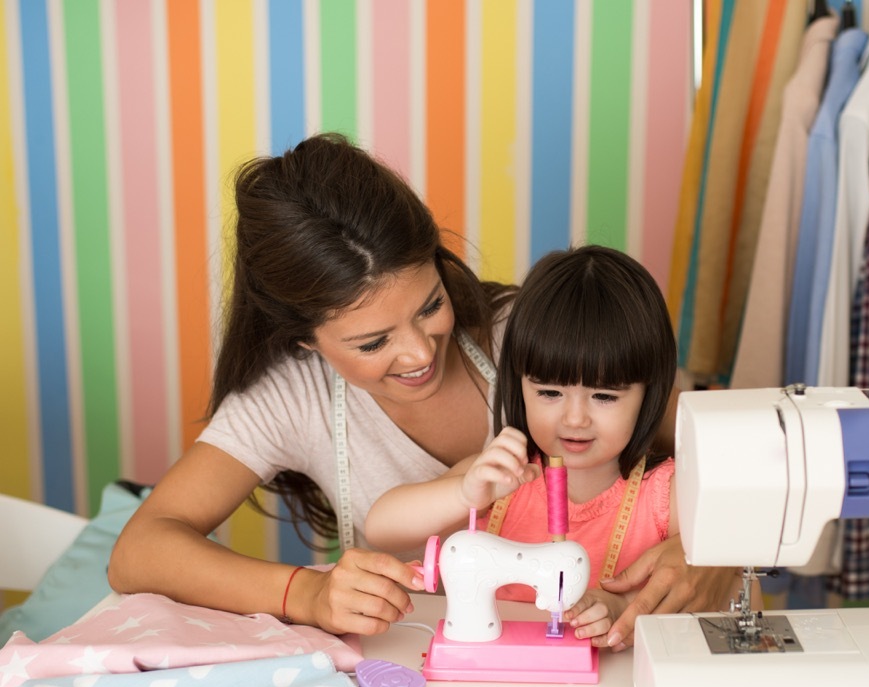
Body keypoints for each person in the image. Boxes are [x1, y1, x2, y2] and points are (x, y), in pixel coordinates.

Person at [108, 134, 735, 640]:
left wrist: (716, 555)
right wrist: (307, 592)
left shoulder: (541, 345)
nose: (419, 352)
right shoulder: (291, 398)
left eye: (431, 306)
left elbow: (736, 468)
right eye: (372, 342)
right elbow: (139, 551)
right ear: (305, 341)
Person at [366, 245, 744, 646]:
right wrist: (463, 493)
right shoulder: (500, 478)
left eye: (604, 397)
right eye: (549, 392)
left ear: (649, 394)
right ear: (518, 385)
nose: (575, 418)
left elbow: (727, 583)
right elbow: (381, 528)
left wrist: (624, 606)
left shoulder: (668, 496)